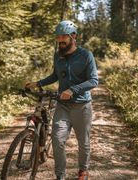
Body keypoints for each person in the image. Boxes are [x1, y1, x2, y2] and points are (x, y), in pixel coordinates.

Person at [25, 20, 98, 180]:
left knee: (83, 142)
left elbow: (94, 80)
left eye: (63, 36)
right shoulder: (58, 56)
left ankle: (83, 171)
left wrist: (73, 90)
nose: (60, 40)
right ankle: (60, 176)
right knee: (57, 140)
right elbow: (55, 75)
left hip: (82, 106)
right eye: (58, 37)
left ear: (73, 36)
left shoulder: (86, 55)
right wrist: (38, 83)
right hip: (63, 106)